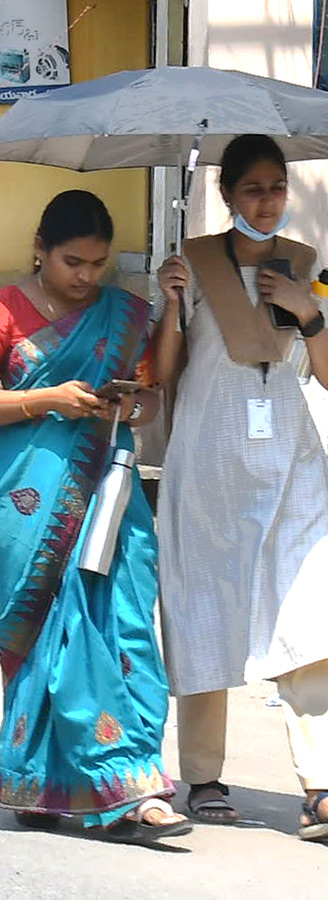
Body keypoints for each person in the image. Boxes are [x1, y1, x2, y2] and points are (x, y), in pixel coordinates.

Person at [0, 190, 189, 842]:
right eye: (72, 262)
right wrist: (48, 399)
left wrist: (126, 397)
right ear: (40, 249)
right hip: (28, 502)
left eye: (97, 263)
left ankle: (133, 781)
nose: (87, 276)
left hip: (109, 494)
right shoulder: (1, 311)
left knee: (124, 626)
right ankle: (41, 785)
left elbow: (146, 404)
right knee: (45, 640)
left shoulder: (123, 315)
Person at [153, 134, 328, 841]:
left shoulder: (309, 266)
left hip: (292, 463)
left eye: (276, 187)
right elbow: (165, 371)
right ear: (225, 196)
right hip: (209, 465)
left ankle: (319, 782)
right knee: (204, 607)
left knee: (309, 612)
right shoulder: (191, 264)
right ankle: (204, 775)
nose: (267, 200)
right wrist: (168, 305)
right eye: (252, 189)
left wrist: (306, 309)